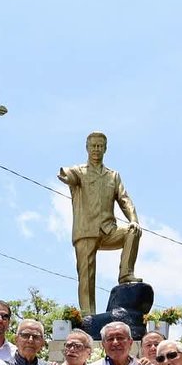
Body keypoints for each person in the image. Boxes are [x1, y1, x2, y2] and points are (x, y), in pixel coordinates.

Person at [58, 131, 143, 317]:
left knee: (132, 231)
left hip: (108, 229)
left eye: (100, 146)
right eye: (93, 146)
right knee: (86, 276)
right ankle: (88, 316)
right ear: (87, 148)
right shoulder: (79, 172)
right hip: (85, 231)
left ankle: (125, 273)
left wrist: (133, 220)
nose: (96, 149)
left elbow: (125, 200)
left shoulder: (113, 176)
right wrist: (65, 174)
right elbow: (67, 175)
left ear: (105, 149)